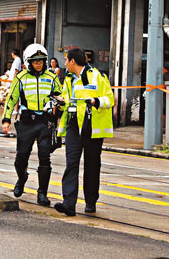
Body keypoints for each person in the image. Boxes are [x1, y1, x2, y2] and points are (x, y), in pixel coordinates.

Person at [54, 47, 115, 216]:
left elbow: (110, 99)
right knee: (71, 163)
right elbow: (68, 97)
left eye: (66, 60)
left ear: (73, 61)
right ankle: (68, 203)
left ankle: (90, 201)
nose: (65, 63)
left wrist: (96, 101)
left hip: (92, 126)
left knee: (92, 165)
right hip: (74, 124)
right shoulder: (68, 79)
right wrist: (60, 100)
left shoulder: (97, 76)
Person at [1, 43, 63, 206]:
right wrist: (6, 119)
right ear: (29, 62)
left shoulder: (52, 78)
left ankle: (42, 193)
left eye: (41, 61)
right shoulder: (21, 77)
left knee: (45, 158)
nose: (39, 64)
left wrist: (59, 104)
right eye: (35, 61)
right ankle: (22, 178)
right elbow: (11, 99)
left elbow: (59, 97)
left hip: (45, 122)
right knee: (21, 158)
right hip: (27, 122)